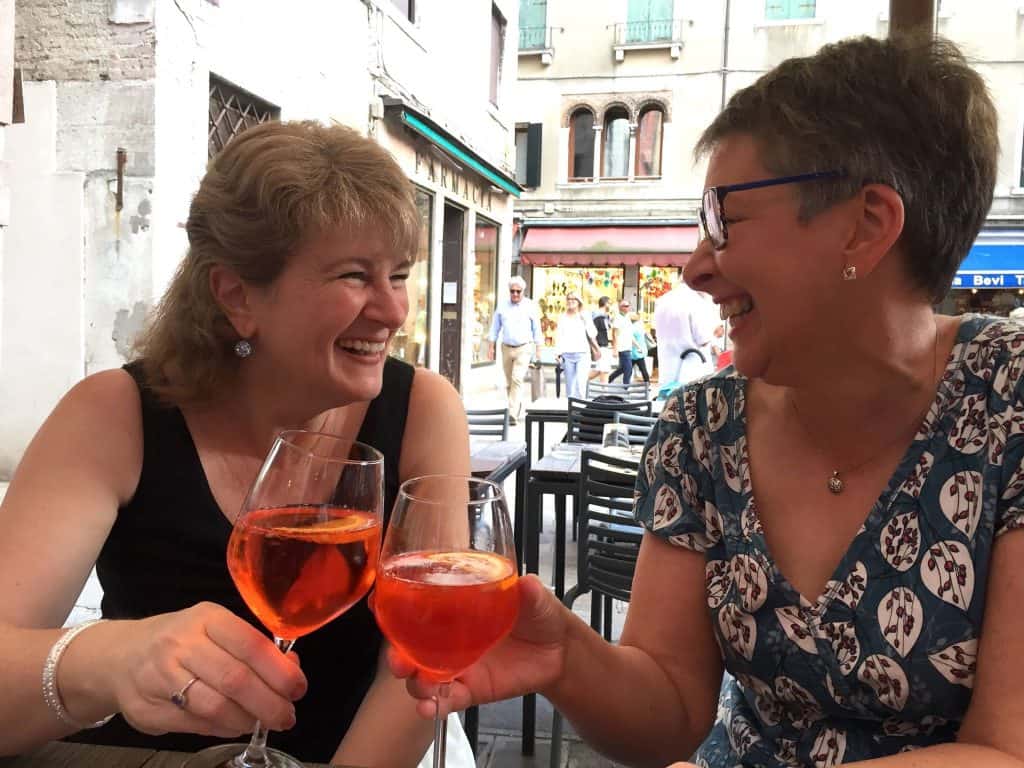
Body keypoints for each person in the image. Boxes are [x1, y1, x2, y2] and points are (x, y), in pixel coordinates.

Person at [390, 35, 1024, 767]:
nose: (694, 268)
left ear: (866, 224)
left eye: (724, 221)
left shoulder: (1007, 400)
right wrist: (565, 653)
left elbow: (1005, 750)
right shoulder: (702, 426)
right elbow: (672, 712)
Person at [0, 120, 472, 767]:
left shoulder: (422, 408)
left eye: (400, 274)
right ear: (237, 294)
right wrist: (109, 659)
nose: (394, 312)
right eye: (355, 276)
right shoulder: (114, 414)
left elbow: (420, 655)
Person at [488, 276, 543, 424]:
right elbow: (495, 327)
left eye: (518, 291)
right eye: (512, 291)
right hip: (506, 347)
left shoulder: (530, 306)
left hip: (524, 348)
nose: (515, 294)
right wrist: (491, 347)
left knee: (517, 379)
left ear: (523, 291)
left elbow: (537, 329)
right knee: (509, 382)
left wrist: (538, 350)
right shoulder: (502, 306)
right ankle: (516, 407)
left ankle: (512, 413)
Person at [653, 275, 719, 387]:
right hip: (691, 372)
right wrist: (714, 334)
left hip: (667, 371)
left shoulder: (662, 301)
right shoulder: (696, 302)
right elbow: (703, 339)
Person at [555, 292, 598, 400]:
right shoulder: (562, 317)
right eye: (568, 299)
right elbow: (559, 335)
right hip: (567, 354)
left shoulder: (584, 315)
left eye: (574, 299)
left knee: (580, 384)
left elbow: (593, 334)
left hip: (582, 354)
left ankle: (581, 410)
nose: (570, 301)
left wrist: (586, 321)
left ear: (579, 302)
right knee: (570, 387)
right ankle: (571, 411)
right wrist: (557, 352)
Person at [608, 299, 636, 384]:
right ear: (620, 307)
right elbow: (614, 334)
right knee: (628, 369)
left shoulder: (627, 317)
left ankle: (608, 379)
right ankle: (626, 387)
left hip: (628, 347)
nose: (627, 308)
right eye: (625, 306)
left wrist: (637, 346)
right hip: (622, 347)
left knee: (623, 368)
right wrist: (615, 349)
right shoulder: (618, 318)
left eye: (628, 306)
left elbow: (629, 334)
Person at [590, 296, 614, 383]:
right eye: (610, 304)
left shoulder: (606, 317)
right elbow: (592, 334)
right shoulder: (597, 317)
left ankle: (605, 391)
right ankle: (604, 391)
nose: (611, 306)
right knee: (603, 370)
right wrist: (595, 348)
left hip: (605, 345)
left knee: (603, 369)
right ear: (606, 304)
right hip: (600, 346)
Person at [629, 312, 652, 385]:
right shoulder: (640, 326)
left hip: (634, 351)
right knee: (643, 369)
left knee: (627, 369)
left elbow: (632, 339)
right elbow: (647, 334)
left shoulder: (631, 327)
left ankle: (626, 383)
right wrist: (652, 340)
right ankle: (648, 383)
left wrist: (638, 346)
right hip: (640, 350)